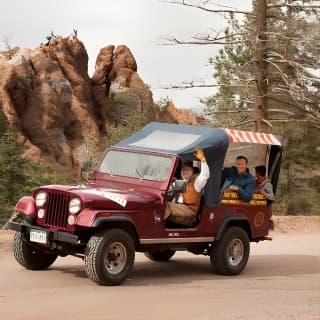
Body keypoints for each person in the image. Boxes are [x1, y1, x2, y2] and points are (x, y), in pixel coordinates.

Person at [165, 147, 210, 225]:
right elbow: (166, 190)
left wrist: (203, 160)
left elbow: (205, 176)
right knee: (159, 204)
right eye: (183, 169)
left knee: (164, 206)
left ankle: (152, 228)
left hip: (189, 212)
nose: (184, 171)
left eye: (187, 169)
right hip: (179, 210)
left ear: (192, 172)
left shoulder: (196, 182)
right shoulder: (181, 182)